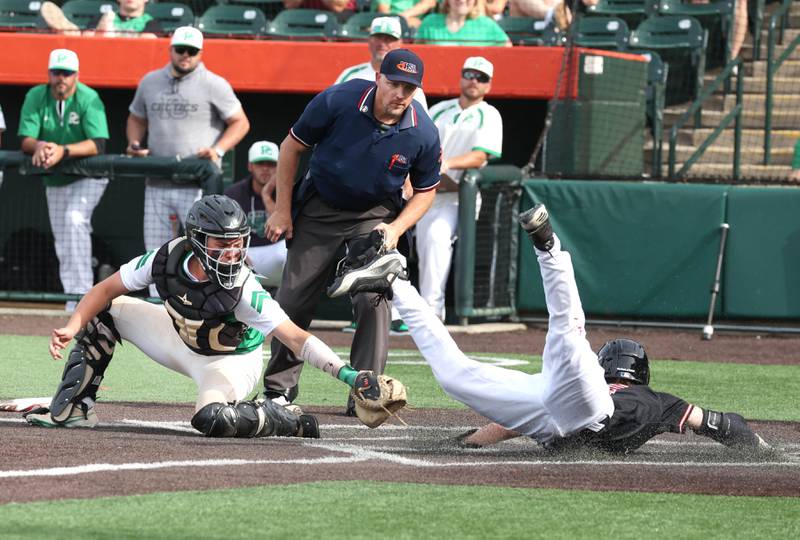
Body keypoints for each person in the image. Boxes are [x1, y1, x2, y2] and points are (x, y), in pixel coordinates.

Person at [387, 204, 772, 454]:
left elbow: (504, 427)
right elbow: (721, 424)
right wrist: (761, 449)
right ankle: (547, 248)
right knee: (565, 336)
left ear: (606, 364)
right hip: (579, 412)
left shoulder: (648, 397)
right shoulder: (660, 401)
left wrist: (461, 443)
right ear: (640, 372)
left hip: (549, 410)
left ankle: (395, 281)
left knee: (457, 375)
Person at [24, 195, 387, 439]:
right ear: (196, 240)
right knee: (99, 313)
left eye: (237, 243)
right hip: (176, 337)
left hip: (228, 362)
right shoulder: (164, 259)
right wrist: (72, 326)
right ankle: (76, 407)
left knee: (212, 418)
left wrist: (350, 375)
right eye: (221, 244)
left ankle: (282, 418)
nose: (232, 253)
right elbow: (103, 291)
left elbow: (294, 337)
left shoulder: (244, 287)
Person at [263, 48, 441, 415]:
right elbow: (291, 147)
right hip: (320, 205)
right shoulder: (338, 99)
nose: (400, 94)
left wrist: (395, 228)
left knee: (373, 296)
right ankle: (278, 390)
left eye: (408, 88)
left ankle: (366, 392)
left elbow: (426, 192)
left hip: (374, 216)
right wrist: (282, 210)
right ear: (378, 77)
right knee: (294, 298)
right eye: (393, 83)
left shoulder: (423, 132)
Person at [126, 26, 250, 297]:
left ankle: (203, 305)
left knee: (202, 249)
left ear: (200, 53)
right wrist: (135, 143)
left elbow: (240, 123)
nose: (185, 56)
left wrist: (218, 150)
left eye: (192, 51)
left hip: (197, 185)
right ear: (171, 49)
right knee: (155, 252)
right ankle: (159, 307)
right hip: (157, 180)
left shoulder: (214, 83)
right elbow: (136, 117)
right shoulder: (150, 81)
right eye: (181, 50)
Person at [18, 49, 109, 311]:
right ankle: (73, 298)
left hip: (89, 176)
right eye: (57, 72)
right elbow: (25, 138)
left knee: (74, 219)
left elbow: (98, 144)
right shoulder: (36, 95)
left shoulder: (88, 97)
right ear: (49, 74)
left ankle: (83, 298)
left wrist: (63, 150)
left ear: (76, 75)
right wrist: (40, 145)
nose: (62, 78)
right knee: (63, 240)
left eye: (67, 73)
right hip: (56, 180)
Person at [419, 56, 502, 320]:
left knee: (436, 238)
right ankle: (396, 312)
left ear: (488, 85)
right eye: (469, 74)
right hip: (423, 192)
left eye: (481, 77)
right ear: (461, 77)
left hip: (458, 197)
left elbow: (480, 156)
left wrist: (447, 163)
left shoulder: (489, 114)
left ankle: (431, 313)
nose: (474, 81)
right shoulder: (440, 109)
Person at [224, 141, 288, 288]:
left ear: (278, 167)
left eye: (271, 164)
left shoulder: (286, 191)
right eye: (260, 163)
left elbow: (282, 229)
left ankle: (287, 300)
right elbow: (225, 232)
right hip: (246, 254)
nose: (265, 169)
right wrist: (238, 251)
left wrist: (266, 195)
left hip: (276, 255)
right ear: (250, 166)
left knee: (290, 251)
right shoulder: (234, 193)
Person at [335, 16, 428, 112]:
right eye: (378, 38)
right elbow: (332, 105)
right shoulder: (350, 75)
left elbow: (421, 120)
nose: (382, 43)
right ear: (369, 40)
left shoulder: (410, 82)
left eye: (389, 39)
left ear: (399, 43)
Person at [39, 0, 162, 37]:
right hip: (98, 58)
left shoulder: (151, 23)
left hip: (130, 62)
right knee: (87, 36)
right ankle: (72, 32)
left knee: (149, 38)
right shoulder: (102, 18)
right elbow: (87, 37)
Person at [416, 0, 511, 47]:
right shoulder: (430, 22)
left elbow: (508, 48)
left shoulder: (486, 24)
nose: (462, 0)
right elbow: (418, 51)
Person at [372, 0, 437, 28]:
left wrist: (403, 17)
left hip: (417, 24)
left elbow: (429, 2)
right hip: (390, 24)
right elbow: (384, 12)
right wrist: (402, 20)